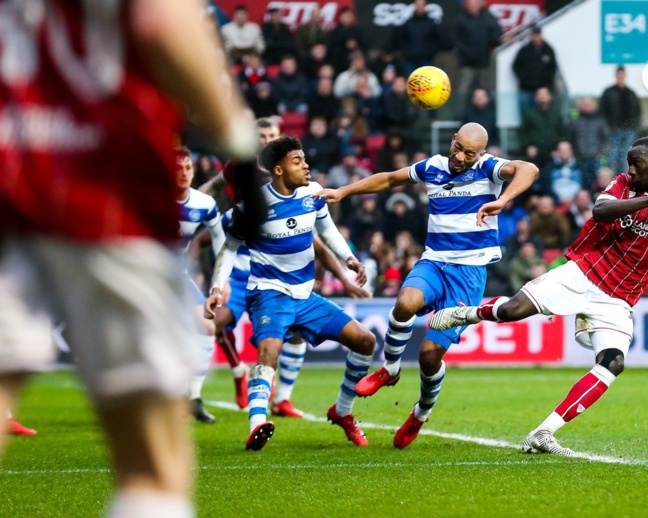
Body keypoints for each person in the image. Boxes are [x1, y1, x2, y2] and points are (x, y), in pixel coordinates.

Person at [0, 0, 258, 515]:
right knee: (151, 464)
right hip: (103, 186)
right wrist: (239, 141)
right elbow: (163, 23)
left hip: (10, 172)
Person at [430, 137, 648, 456]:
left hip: (619, 299)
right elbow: (600, 211)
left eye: (636, 163)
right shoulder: (624, 184)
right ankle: (467, 314)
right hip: (584, 273)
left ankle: (544, 432)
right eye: (628, 162)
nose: (630, 169)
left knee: (613, 363)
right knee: (512, 312)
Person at [314, 123, 539, 448]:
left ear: (481, 154)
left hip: (469, 272)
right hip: (434, 260)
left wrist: (503, 199)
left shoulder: (488, 168)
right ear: (453, 140)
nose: (461, 157)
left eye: (470, 153)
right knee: (405, 302)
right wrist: (343, 191)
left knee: (429, 358)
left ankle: (420, 413)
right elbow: (390, 178)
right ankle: (389, 368)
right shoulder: (432, 166)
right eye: (458, 148)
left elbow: (528, 168)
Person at [206, 137, 377, 451]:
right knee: (271, 347)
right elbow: (228, 248)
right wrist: (217, 287)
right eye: (297, 161)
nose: (306, 165)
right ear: (278, 170)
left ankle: (342, 411)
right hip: (268, 293)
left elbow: (325, 231)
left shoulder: (313, 194)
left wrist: (349, 258)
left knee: (365, 341)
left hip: (305, 296)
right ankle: (258, 422)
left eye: (304, 159)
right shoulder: (253, 207)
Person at [175, 147, 226, 424]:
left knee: (207, 327)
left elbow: (220, 239)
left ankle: (193, 398)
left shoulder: (203, 204)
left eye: (187, 168)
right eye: (176, 169)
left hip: (177, 278)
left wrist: (221, 280)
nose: (182, 174)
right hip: (145, 277)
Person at [454, 0, 503, 94]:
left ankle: (488, 107)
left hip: (484, 60)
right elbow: (456, 39)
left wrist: (492, 43)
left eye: (475, 3)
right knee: (464, 87)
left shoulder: (489, 18)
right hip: (466, 61)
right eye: (470, 3)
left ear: (481, 4)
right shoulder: (461, 19)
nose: (473, 6)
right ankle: (461, 108)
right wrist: (466, 52)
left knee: (486, 87)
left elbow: (496, 36)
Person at [599, 66, 642, 173]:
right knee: (612, 158)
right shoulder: (608, 92)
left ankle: (624, 184)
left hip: (629, 131)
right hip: (613, 131)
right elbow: (602, 111)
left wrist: (635, 128)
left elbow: (638, 112)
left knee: (625, 159)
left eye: (622, 74)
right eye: (618, 74)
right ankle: (613, 184)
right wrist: (607, 128)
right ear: (616, 75)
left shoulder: (631, 93)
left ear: (625, 75)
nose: (620, 76)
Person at [511, 26, 558, 115]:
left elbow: (553, 68)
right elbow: (516, 67)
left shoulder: (548, 50)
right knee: (526, 113)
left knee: (544, 113)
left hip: (543, 89)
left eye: (538, 34)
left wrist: (544, 82)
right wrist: (525, 79)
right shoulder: (524, 50)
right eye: (534, 35)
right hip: (526, 89)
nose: (536, 37)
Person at [567, 97, 609, 190]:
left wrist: (602, 154)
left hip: (596, 159)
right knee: (581, 185)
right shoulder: (574, 121)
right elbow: (570, 139)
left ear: (594, 106)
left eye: (589, 104)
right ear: (580, 106)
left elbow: (606, 139)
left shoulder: (600, 121)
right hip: (580, 159)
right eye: (585, 104)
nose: (587, 106)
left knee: (597, 185)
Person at [395, 0, 440, 76]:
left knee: (427, 81)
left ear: (425, 7)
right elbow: (401, 40)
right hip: (410, 60)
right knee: (411, 82)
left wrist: (430, 52)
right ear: (415, 6)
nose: (420, 7)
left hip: (427, 59)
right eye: (418, 5)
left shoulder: (431, 24)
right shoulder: (408, 24)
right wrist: (407, 53)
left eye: (421, 5)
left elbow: (436, 40)